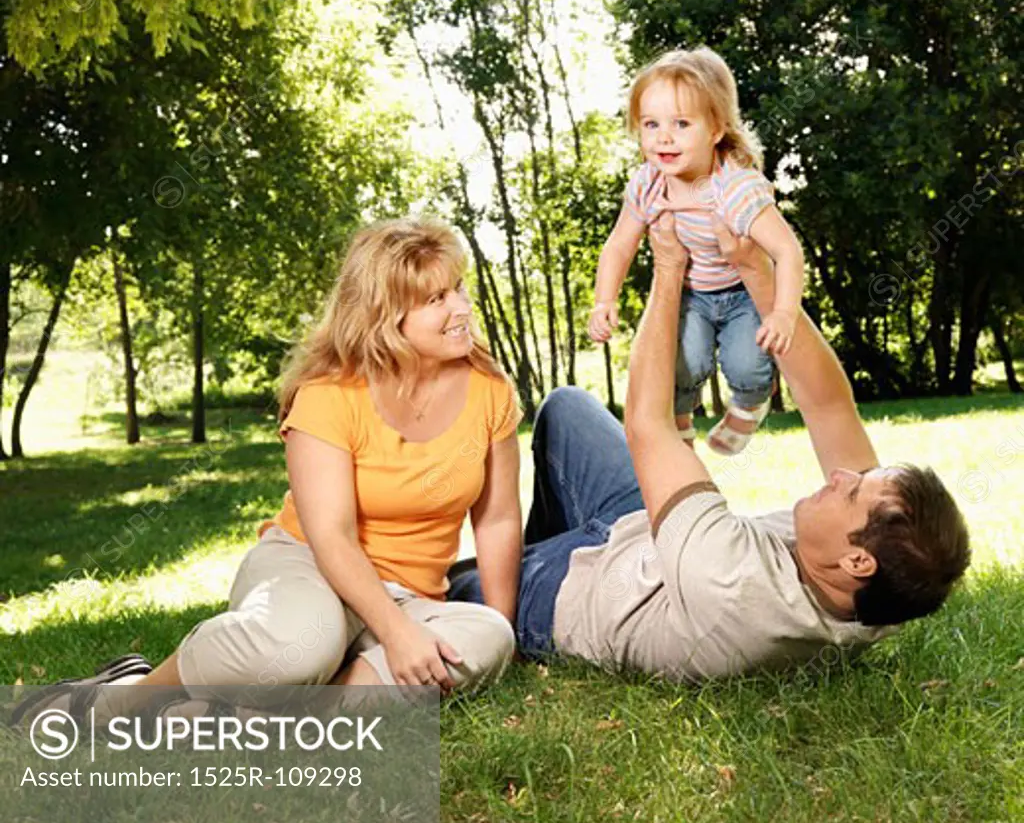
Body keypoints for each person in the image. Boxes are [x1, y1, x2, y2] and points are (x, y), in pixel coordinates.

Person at [15, 219, 521, 724]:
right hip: (309, 567)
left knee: (488, 634)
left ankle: (286, 717)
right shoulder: (329, 394)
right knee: (304, 647)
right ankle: (129, 695)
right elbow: (332, 537)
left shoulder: (489, 388)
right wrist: (397, 633)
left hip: (410, 593)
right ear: (385, 317)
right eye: (436, 299)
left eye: (457, 288)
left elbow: (496, 519)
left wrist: (504, 634)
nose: (460, 308)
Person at [457, 212, 970, 681]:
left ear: (857, 561)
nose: (841, 476)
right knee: (568, 409)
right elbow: (830, 405)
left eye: (853, 492)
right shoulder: (887, 588)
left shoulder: (734, 587)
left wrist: (668, 269)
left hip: (572, 598)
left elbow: (648, 423)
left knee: (444, 589)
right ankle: (532, 551)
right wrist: (758, 273)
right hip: (646, 537)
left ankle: (529, 571)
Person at [588, 47, 805, 454]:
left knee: (748, 364)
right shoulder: (647, 184)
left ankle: (752, 402)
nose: (663, 137)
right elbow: (619, 243)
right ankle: (680, 424)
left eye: (681, 124)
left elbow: (788, 251)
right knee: (681, 364)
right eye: (651, 124)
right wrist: (604, 300)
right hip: (691, 295)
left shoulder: (735, 187)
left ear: (716, 129)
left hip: (740, 295)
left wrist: (783, 313)